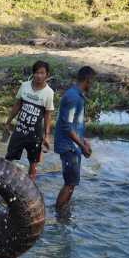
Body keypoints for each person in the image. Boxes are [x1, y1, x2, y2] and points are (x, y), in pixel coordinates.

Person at [4, 60, 54, 181]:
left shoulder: (49, 93)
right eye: (36, 73)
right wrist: (8, 122)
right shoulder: (25, 86)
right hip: (19, 131)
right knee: (9, 159)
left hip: (35, 135)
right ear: (33, 74)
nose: (39, 76)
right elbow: (17, 105)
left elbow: (48, 115)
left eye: (42, 73)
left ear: (47, 75)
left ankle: (31, 190)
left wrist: (47, 136)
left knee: (33, 163)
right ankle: (5, 181)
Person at [54, 66, 95, 213]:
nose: (92, 85)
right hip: (68, 146)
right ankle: (59, 213)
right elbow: (67, 126)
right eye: (92, 82)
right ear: (87, 80)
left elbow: (75, 125)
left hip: (74, 145)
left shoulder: (77, 96)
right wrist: (82, 146)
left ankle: (63, 211)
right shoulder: (73, 97)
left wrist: (83, 141)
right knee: (70, 183)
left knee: (72, 183)